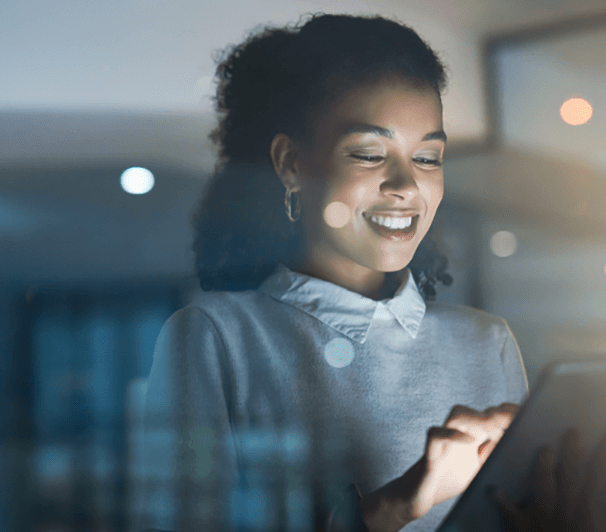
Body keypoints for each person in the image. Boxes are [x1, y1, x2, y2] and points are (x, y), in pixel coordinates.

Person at [134, 14, 528, 532]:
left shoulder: (486, 342)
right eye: (368, 153)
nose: (406, 185)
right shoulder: (213, 340)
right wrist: (401, 502)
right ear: (291, 163)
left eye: (428, 157)